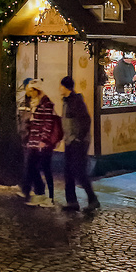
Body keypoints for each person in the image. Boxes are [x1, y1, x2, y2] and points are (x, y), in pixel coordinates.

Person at [59, 76, 101, 211]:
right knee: (68, 172)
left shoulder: (75, 101)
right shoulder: (67, 101)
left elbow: (85, 120)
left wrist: (79, 138)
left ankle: (92, 199)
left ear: (65, 87)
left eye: (61, 86)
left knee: (79, 171)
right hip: (70, 141)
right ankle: (72, 202)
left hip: (77, 142)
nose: (59, 88)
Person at [20, 88, 62, 203]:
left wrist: (43, 140)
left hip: (42, 144)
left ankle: (48, 196)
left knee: (44, 168)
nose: (30, 94)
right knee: (31, 167)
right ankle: (35, 191)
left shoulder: (46, 103)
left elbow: (47, 123)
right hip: (33, 142)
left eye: (32, 91)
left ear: (37, 91)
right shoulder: (36, 103)